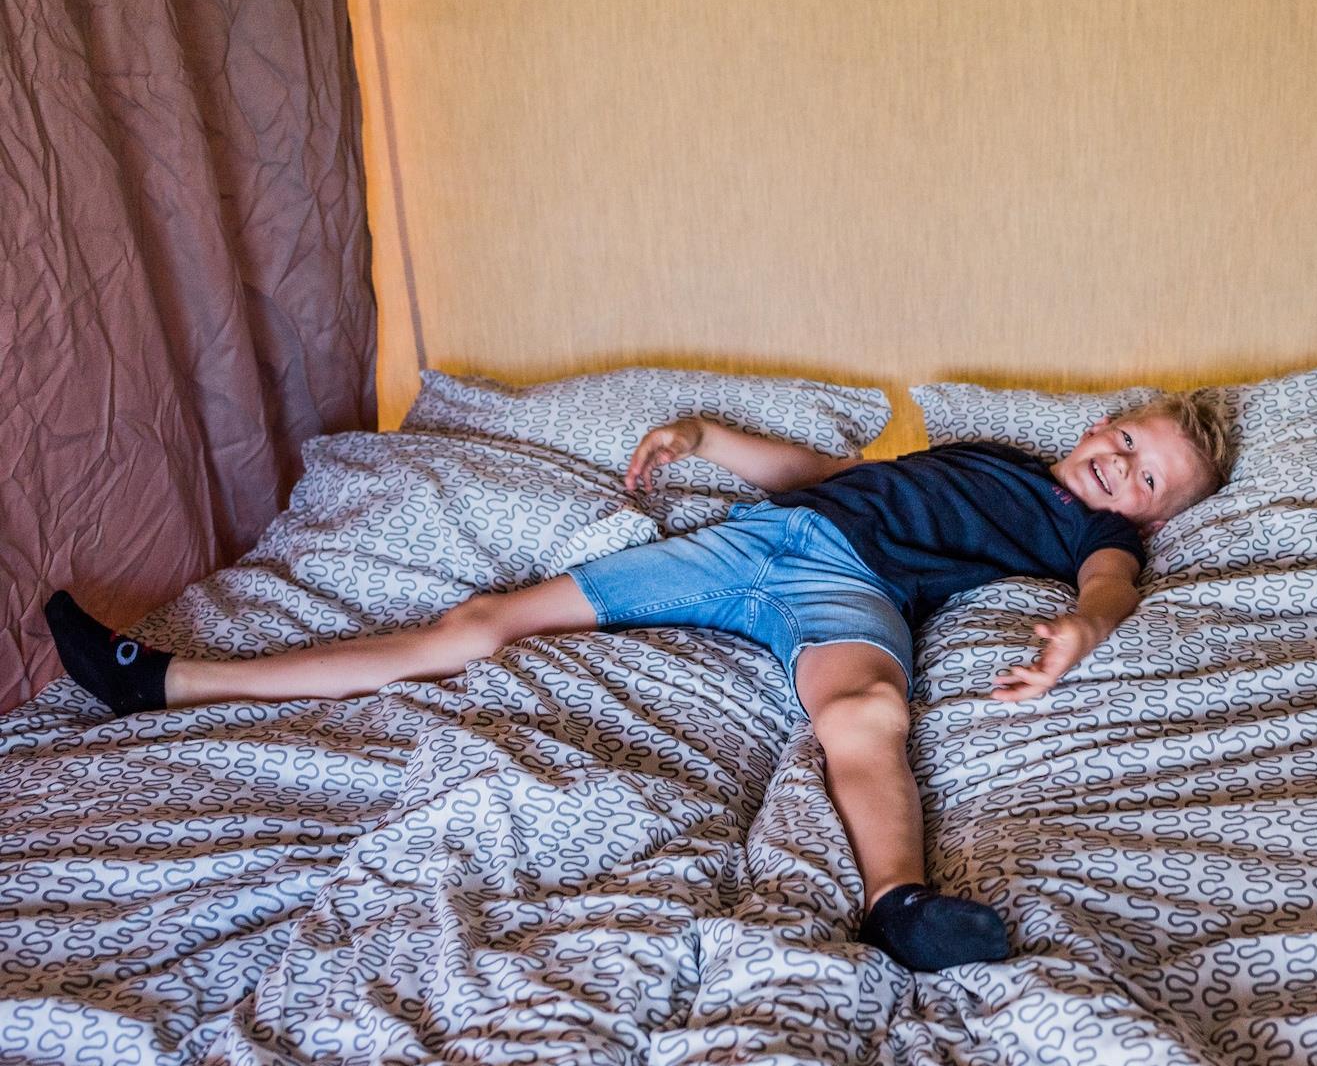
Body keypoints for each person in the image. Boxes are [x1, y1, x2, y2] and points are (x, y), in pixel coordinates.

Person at [43, 394, 1234, 972]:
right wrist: (706, 438)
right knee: (481, 622)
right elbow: (826, 473)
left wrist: (1075, 634)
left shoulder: (1094, 537)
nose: (1119, 468)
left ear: (1150, 517)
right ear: (1099, 422)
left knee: (869, 711)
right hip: (753, 541)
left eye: (1146, 482)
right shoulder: (991, 452)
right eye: (1126, 440)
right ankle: (171, 681)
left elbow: (1106, 591)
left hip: (852, 593)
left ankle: (898, 905)